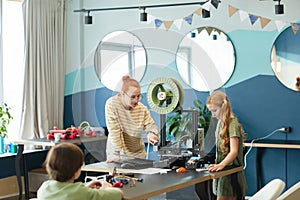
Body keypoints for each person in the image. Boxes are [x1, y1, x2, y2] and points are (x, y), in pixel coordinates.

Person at [37, 143, 123, 200]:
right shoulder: (85, 194)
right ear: (77, 171)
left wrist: (85, 187)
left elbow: (66, 193)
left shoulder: (44, 188)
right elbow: (119, 194)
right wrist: (106, 187)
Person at [105, 75, 159, 162]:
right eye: (133, 97)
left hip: (138, 154)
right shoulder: (112, 104)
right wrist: (117, 153)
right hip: (117, 152)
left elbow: (150, 124)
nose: (136, 100)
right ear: (123, 94)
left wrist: (151, 133)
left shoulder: (142, 108)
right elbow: (114, 130)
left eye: (138, 96)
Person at [206, 91, 247, 200]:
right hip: (224, 173)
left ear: (223, 107)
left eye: (215, 110)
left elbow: (233, 152)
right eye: (211, 111)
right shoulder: (221, 123)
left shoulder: (232, 124)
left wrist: (221, 165)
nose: (213, 115)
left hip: (231, 173)